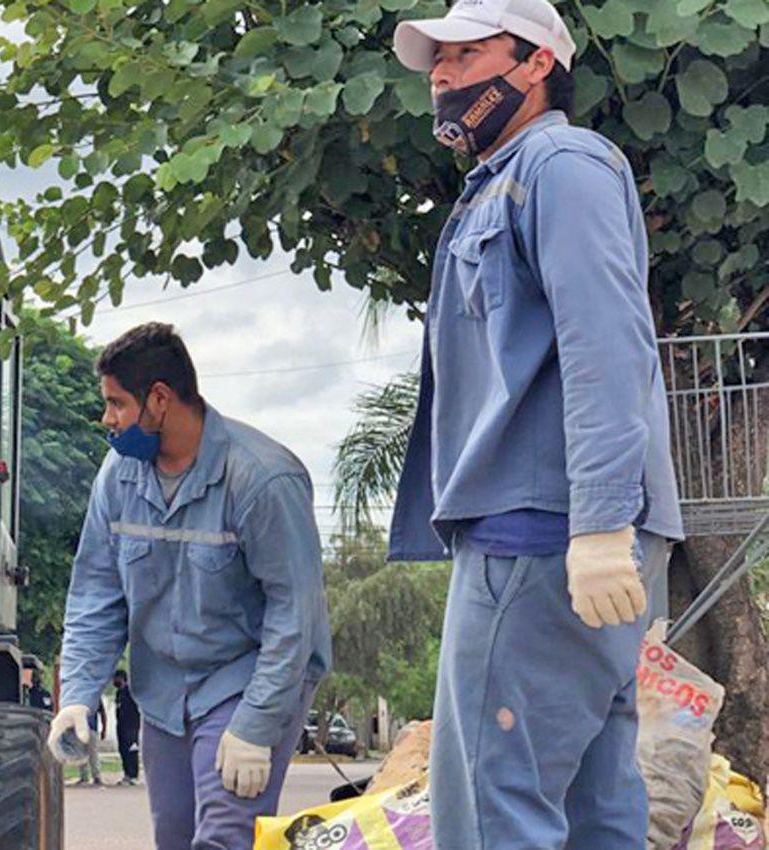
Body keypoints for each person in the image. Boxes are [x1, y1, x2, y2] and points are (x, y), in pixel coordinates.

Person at [387, 1, 683, 847]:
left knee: (491, 808)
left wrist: (596, 524)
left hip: (543, 535)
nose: (442, 75)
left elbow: (605, 345)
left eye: (466, 53)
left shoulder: (557, 163)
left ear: (535, 62)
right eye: (436, 61)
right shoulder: (506, 182)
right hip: (568, 538)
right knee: (598, 808)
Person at [47, 323, 332, 850]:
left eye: (115, 404)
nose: (106, 419)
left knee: (223, 838)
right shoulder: (118, 476)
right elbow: (95, 596)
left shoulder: (261, 479)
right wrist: (80, 694)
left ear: (159, 399)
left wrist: (257, 723)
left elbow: (295, 615)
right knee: (175, 838)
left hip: (243, 681)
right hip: (163, 693)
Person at [113, 669, 141, 786]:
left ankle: (133, 774)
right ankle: (126, 774)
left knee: (132, 749)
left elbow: (137, 709)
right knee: (123, 749)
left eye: (116, 679)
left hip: (131, 726)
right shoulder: (118, 693)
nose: (114, 681)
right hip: (121, 725)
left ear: (122, 678)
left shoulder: (130, 692)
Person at [74, 709, 107, 786]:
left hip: (91, 728)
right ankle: (84, 776)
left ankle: (96, 776)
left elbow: (102, 713)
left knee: (92, 753)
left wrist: (104, 729)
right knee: (81, 753)